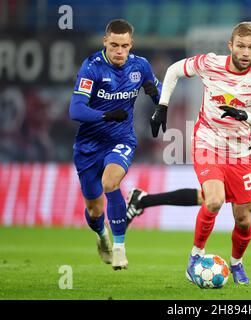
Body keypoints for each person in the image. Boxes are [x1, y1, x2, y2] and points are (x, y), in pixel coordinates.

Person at [126, 17, 251, 270]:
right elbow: (249, 106)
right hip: (244, 138)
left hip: (245, 135)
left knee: (216, 197)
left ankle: (144, 200)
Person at [149, 22, 251, 285]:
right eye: (240, 46)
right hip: (208, 142)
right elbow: (174, 70)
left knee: (243, 219)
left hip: (241, 153)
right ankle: (195, 257)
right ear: (230, 46)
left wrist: (245, 115)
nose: (245, 52)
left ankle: (237, 264)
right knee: (214, 200)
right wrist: (163, 105)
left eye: (250, 47)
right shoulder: (210, 63)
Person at [69, 19, 161, 270]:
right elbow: (75, 110)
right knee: (95, 210)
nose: (119, 51)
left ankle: (120, 248)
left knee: (111, 182)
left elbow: (159, 95)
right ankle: (102, 237)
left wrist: (157, 95)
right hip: (88, 145)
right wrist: (106, 115)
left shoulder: (140, 66)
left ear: (131, 44)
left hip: (121, 139)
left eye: (124, 46)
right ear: (105, 42)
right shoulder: (92, 67)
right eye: (114, 45)